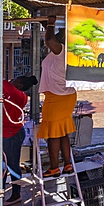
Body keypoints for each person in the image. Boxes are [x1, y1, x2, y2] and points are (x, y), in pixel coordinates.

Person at [40, 17, 78, 178]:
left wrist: (50, 22)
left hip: (57, 96)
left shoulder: (61, 50)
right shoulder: (62, 53)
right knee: (62, 132)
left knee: (53, 133)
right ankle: (67, 164)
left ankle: (54, 167)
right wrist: (46, 25)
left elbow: (49, 39)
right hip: (65, 95)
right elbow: (50, 38)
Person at [3, 75, 38, 206]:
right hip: (9, 133)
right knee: (3, 166)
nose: (12, 80)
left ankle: (16, 194)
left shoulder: (16, 93)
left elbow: (2, 82)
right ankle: (1, 194)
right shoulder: (15, 93)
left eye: (16, 80)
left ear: (21, 85)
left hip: (12, 134)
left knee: (12, 166)